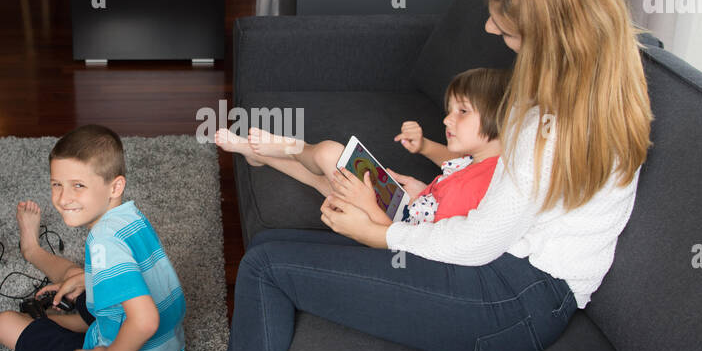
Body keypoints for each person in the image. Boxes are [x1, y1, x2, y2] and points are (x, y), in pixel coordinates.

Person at [151, 0, 653, 351]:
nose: (492, 34)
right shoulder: (609, 85)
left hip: (509, 299)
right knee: (265, 253)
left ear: (550, 34)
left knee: (266, 267)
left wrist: (379, 233)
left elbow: (477, 241)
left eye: (507, 29)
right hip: (517, 284)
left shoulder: (547, 124)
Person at [0, 124, 186, 351]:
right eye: (56, 184)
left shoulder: (103, 242)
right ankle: (33, 254)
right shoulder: (130, 217)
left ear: (115, 186)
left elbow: (145, 321)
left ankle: (50, 307)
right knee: (77, 278)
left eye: (78, 186)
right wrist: (89, 278)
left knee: (4, 324)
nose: (63, 198)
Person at [213, 67, 511, 227]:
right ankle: (256, 154)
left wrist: (369, 205)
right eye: (450, 109)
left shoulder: (478, 188)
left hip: (394, 222)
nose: (447, 118)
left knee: (331, 154)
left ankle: (292, 147)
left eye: (462, 111)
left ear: (499, 119)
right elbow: (453, 167)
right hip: (407, 202)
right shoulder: (486, 161)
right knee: (327, 180)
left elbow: (421, 242)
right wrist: (423, 159)